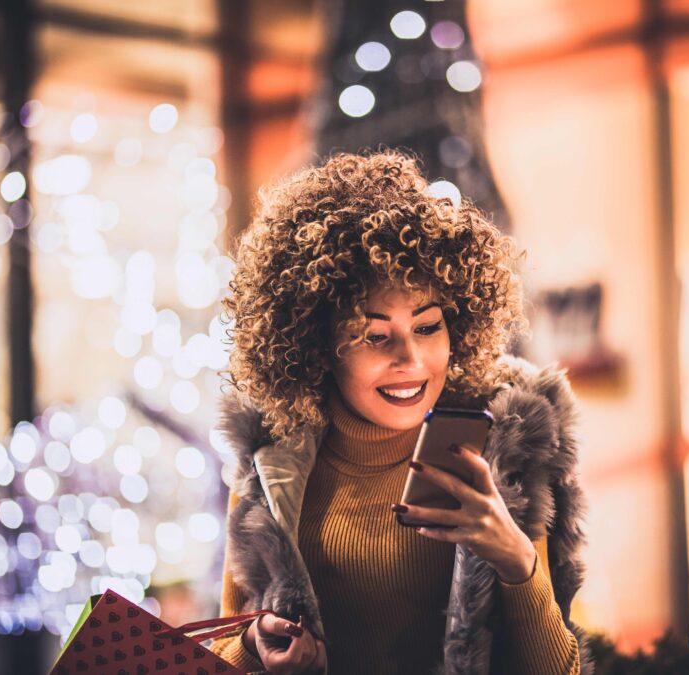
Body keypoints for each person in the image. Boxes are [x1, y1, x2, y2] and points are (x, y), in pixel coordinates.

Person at [207, 150, 591, 674]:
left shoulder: (506, 449)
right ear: (317, 343)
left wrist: (516, 559)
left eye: (428, 327)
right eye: (374, 335)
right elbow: (225, 651)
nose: (410, 361)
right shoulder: (272, 462)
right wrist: (256, 649)